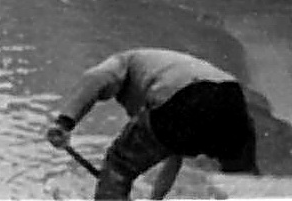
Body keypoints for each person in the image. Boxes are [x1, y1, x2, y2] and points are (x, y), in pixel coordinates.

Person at [46, 48, 259, 200]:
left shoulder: (125, 61)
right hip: (232, 99)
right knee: (243, 182)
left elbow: (94, 78)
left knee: (119, 165)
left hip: (182, 97)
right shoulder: (163, 65)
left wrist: (65, 123)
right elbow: (174, 154)